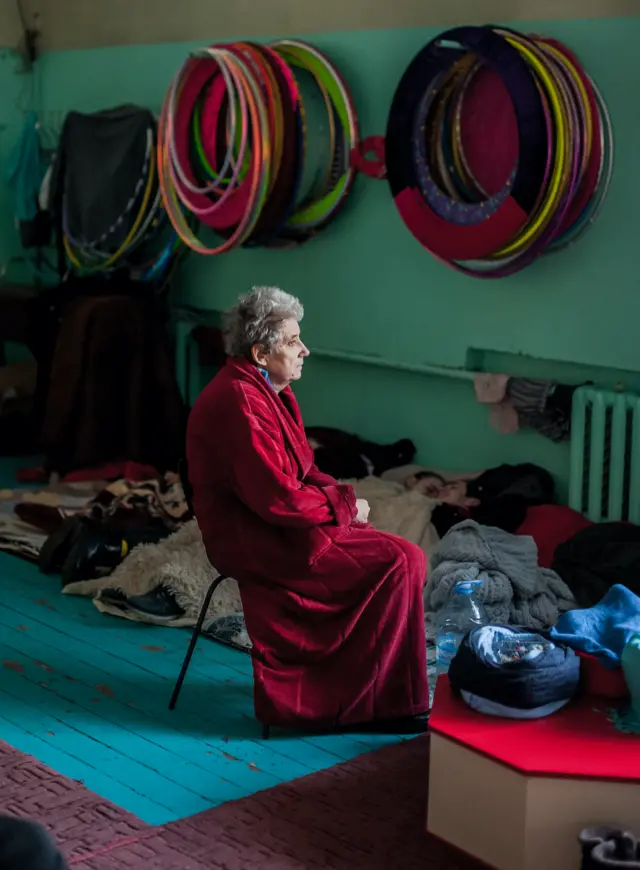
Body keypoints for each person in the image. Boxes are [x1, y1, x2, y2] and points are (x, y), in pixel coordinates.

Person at [186, 286, 429, 734]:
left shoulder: (269, 389)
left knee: (402, 556)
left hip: (279, 528)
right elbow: (278, 499)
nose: (305, 350)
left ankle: (365, 694)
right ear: (261, 353)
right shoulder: (239, 401)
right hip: (257, 539)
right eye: (294, 341)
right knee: (401, 561)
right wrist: (343, 508)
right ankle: (357, 702)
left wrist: (344, 499)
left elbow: (304, 469)